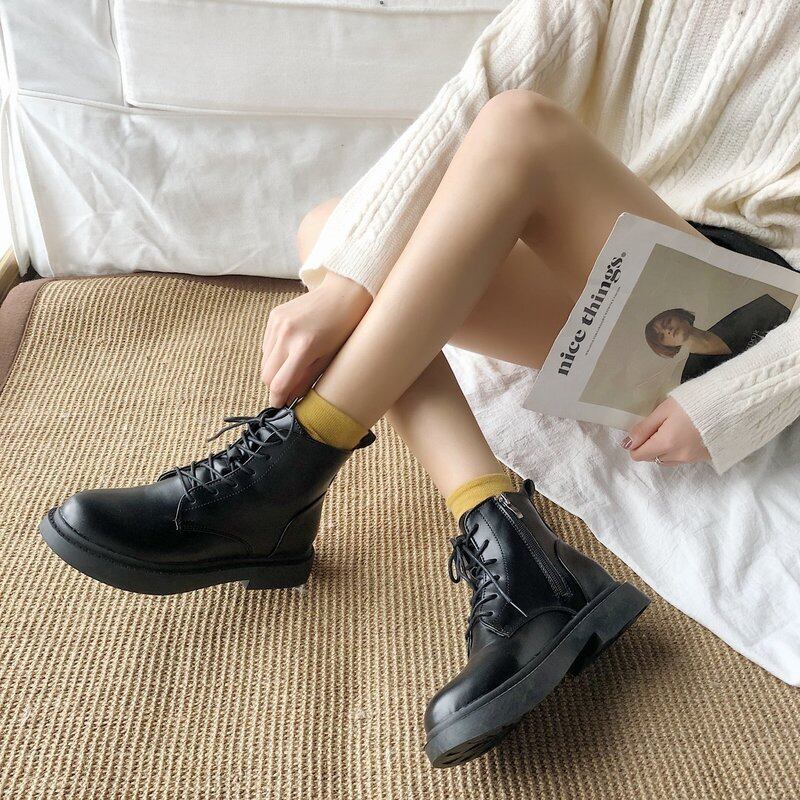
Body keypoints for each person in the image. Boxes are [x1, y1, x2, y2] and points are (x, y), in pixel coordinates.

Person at [38, 0, 800, 768]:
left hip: (753, 317)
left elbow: (507, 118)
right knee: (334, 230)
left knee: (520, 129)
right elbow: (475, 92)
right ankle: (519, 553)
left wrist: (737, 395)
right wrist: (344, 284)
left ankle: (289, 470)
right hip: (628, 263)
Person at [645, 295, 792, 383]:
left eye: (667, 322)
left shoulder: (738, 319)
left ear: (681, 316)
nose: (668, 331)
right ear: (666, 346)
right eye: (662, 336)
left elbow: (785, 313)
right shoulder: (691, 377)